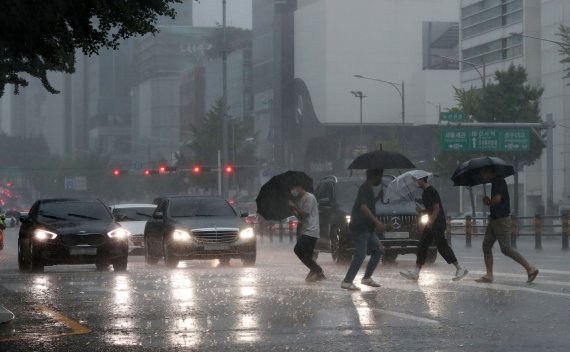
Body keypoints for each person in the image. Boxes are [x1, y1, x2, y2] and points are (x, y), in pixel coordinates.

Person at [475, 167, 539, 284]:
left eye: (484, 171)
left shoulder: (498, 181)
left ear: (491, 171)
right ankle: (489, 275)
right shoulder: (495, 182)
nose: (482, 174)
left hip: (501, 219)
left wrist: (488, 202)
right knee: (486, 245)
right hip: (494, 219)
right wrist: (488, 202)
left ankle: (530, 268)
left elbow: (498, 199)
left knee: (506, 249)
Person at [400, 176, 468, 281]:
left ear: (422, 180)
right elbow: (430, 209)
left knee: (442, 246)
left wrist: (431, 221)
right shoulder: (425, 192)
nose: (416, 182)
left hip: (437, 223)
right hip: (432, 222)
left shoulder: (431, 191)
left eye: (417, 180)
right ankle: (416, 272)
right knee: (422, 244)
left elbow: (436, 208)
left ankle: (460, 268)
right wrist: (422, 210)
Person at [341, 168, 385, 291]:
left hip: (368, 229)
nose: (380, 180)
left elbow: (368, 204)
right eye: (380, 177)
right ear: (374, 176)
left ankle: (366, 278)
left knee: (378, 250)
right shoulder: (365, 188)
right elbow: (364, 207)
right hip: (360, 227)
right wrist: (376, 222)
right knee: (360, 255)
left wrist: (377, 197)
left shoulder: (369, 189)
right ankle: (347, 281)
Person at [288, 181, 325, 282]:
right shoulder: (301, 199)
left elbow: (305, 214)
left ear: (300, 187)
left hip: (311, 230)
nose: (293, 191)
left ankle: (317, 270)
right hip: (306, 230)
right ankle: (316, 273)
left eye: (294, 188)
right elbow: (300, 216)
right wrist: (293, 209)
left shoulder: (309, 197)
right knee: (307, 256)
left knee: (298, 249)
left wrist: (294, 206)